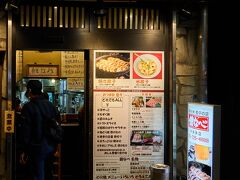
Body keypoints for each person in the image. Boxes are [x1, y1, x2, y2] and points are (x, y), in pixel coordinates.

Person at [20, 80, 59, 180]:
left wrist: (24, 150)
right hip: (50, 145)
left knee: (37, 175)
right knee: (48, 172)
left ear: (29, 90)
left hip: (36, 146)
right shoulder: (51, 105)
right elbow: (57, 124)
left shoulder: (28, 107)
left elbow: (26, 130)